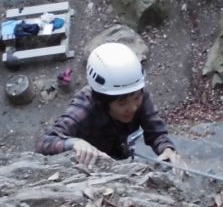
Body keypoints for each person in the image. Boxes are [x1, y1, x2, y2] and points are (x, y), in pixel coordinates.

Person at [36, 42, 180, 168]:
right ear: (102, 100)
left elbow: (155, 131)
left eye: (136, 98)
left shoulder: (136, 92)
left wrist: (167, 149)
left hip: (119, 151)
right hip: (91, 165)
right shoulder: (85, 107)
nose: (133, 108)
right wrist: (74, 143)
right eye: (122, 103)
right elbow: (45, 142)